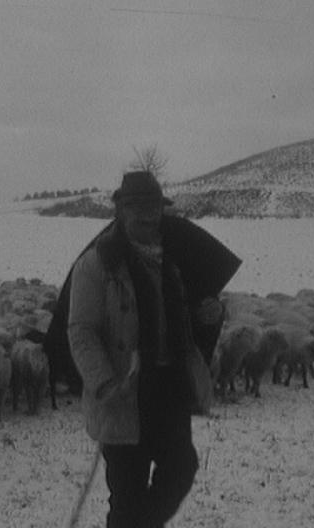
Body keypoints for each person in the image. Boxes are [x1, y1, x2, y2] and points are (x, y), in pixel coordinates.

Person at [67, 171, 240, 528]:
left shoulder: (175, 259)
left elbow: (186, 316)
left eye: (153, 208)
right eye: (138, 208)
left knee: (181, 468)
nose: (147, 216)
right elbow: (81, 331)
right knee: (127, 495)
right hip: (124, 391)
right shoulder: (98, 264)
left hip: (168, 385)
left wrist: (207, 317)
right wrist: (105, 384)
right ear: (121, 210)